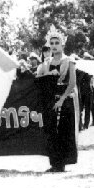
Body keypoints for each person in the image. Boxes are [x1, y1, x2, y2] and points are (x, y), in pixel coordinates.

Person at [36, 26, 79, 172]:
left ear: (62, 44)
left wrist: (62, 99)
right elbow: (38, 79)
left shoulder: (69, 61)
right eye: (52, 43)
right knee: (51, 131)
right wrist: (47, 74)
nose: (54, 46)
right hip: (50, 100)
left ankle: (62, 163)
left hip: (65, 99)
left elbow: (72, 83)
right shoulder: (46, 63)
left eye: (57, 43)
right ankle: (54, 163)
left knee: (64, 131)